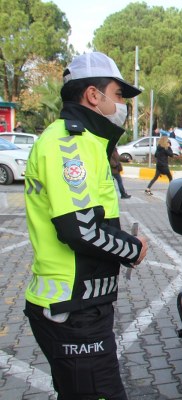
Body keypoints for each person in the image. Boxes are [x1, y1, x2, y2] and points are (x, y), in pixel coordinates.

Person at [23, 51, 148, 400]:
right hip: (71, 308)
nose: (122, 105)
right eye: (118, 95)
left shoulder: (87, 142)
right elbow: (79, 229)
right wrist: (132, 249)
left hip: (79, 305)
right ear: (93, 95)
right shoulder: (69, 144)